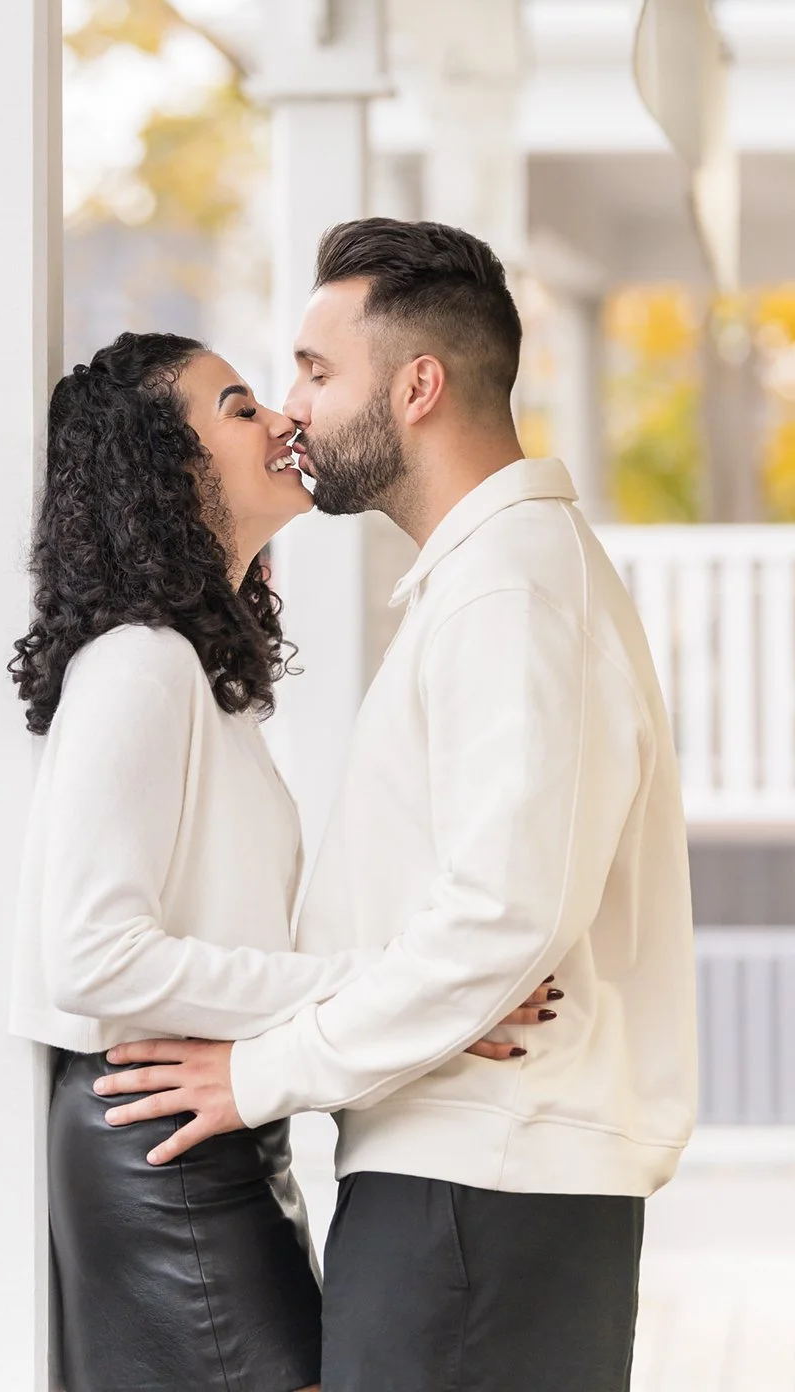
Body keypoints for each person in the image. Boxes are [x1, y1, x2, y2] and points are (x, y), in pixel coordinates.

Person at [95, 220, 699, 1392]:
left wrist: (256, 1075)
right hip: (472, 1191)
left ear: (417, 386)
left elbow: (497, 925)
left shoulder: (510, 592)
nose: (292, 409)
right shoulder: (492, 582)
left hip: (483, 1195)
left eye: (318, 371)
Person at [7, 328, 552, 1392]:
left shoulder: (196, 679)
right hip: (158, 1147)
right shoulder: (137, 665)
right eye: (240, 406)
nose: (283, 420)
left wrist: (412, 1011)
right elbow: (90, 957)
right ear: (164, 464)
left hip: (220, 1129)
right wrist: (393, 983)